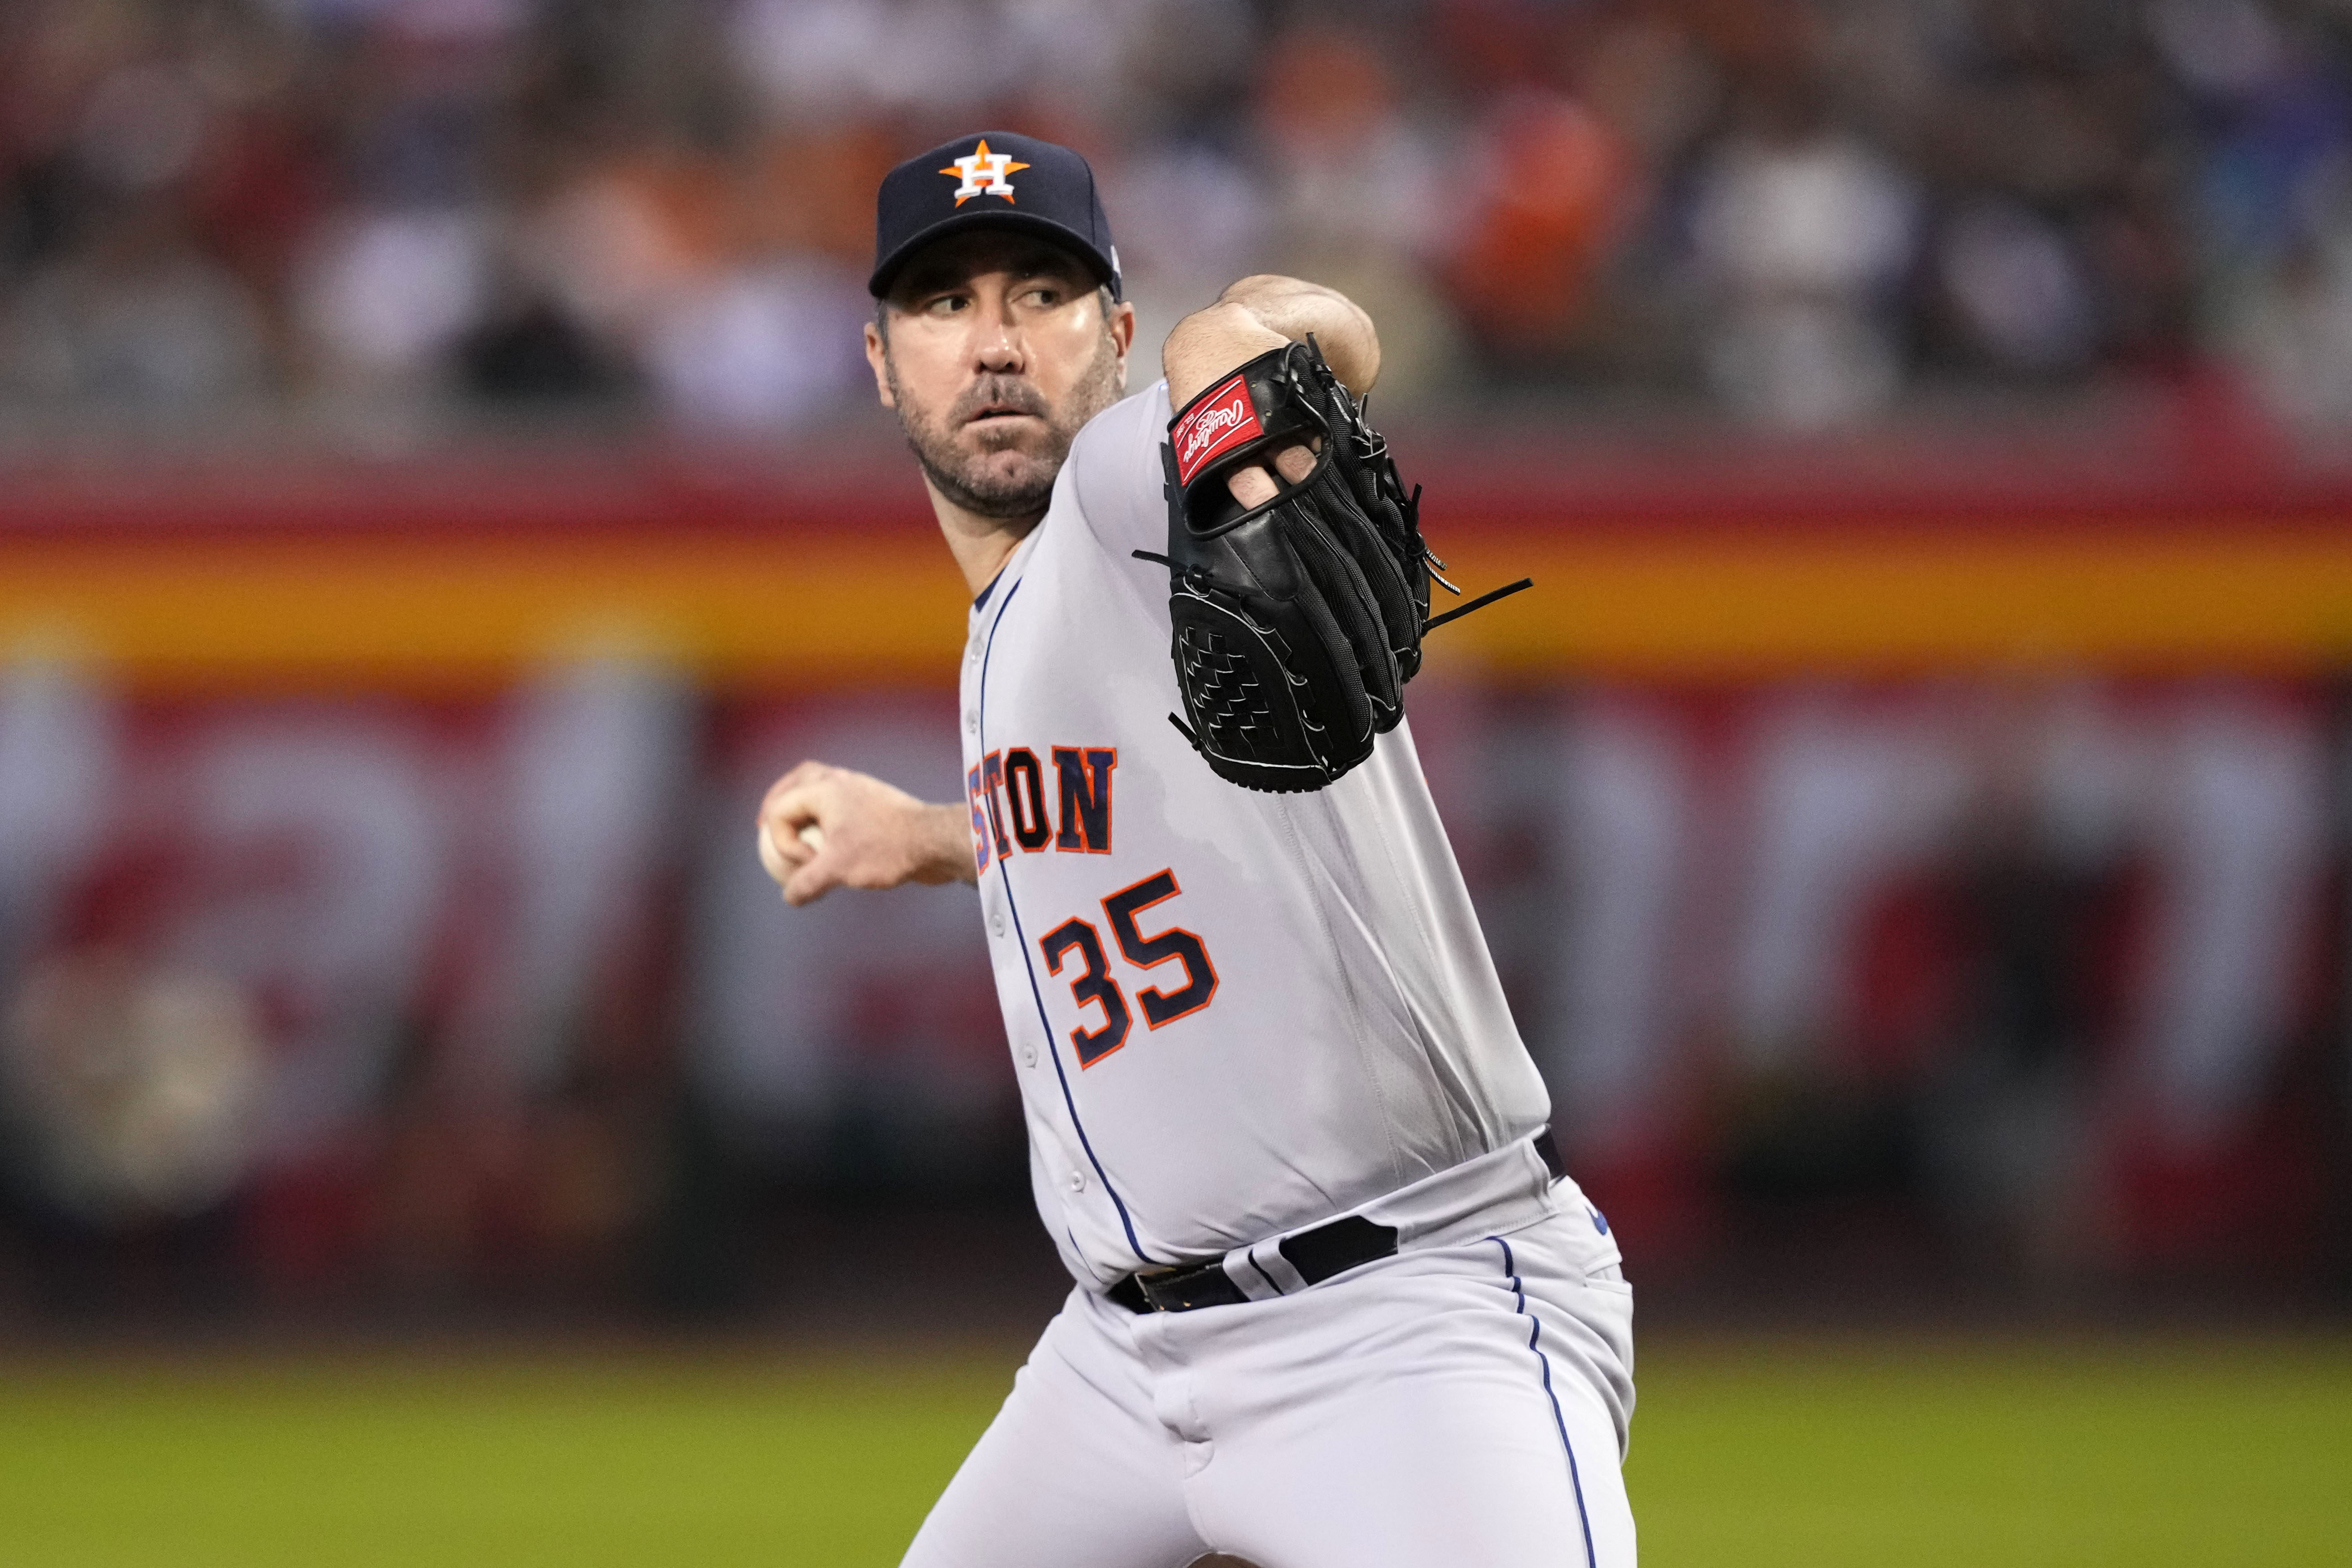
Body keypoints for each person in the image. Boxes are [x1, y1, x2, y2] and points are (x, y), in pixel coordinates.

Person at [755, 131, 1636, 1568]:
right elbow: (1098, 821)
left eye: (1038, 295)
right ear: (878, 360)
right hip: (1121, 1363)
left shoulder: (1120, 485)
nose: (991, 344)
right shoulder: (1009, 621)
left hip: (1404, 1321)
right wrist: (913, 834)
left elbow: (1323, 333)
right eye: (943, 303)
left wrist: (1239, 341)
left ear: (1112, 336)